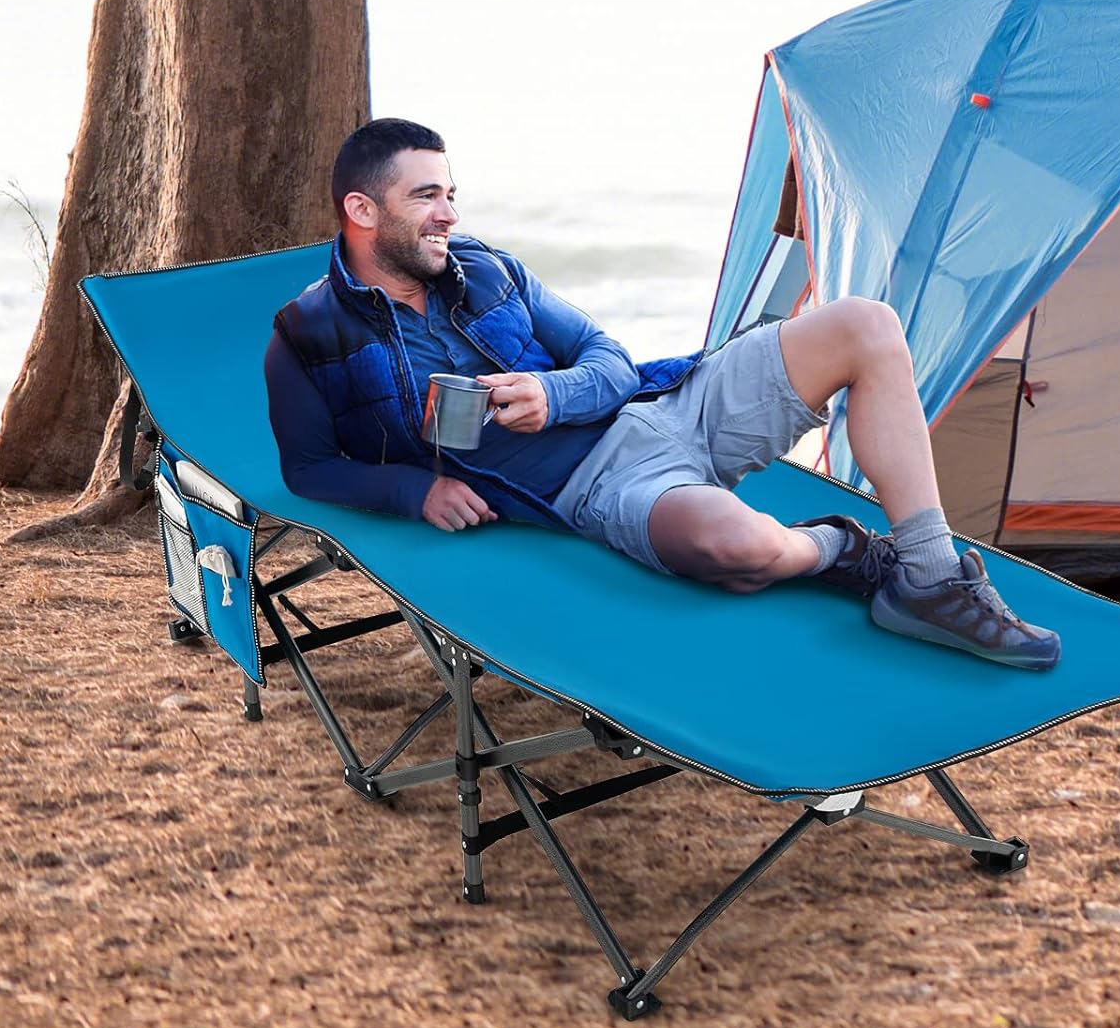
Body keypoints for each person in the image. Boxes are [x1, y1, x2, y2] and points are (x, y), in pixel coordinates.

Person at [264, 120, 1061, 670]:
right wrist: (417, 488)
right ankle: (847, 549)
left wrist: (552, 393)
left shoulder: (488, 267)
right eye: (426, 198)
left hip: (669, 402)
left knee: (865, 325)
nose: (449, 214)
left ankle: (926, 572)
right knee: (739, 550)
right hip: (604, 486)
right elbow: (307, 468)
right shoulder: (306, 336)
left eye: (450, 193)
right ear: (361, 211)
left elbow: (607, 357)